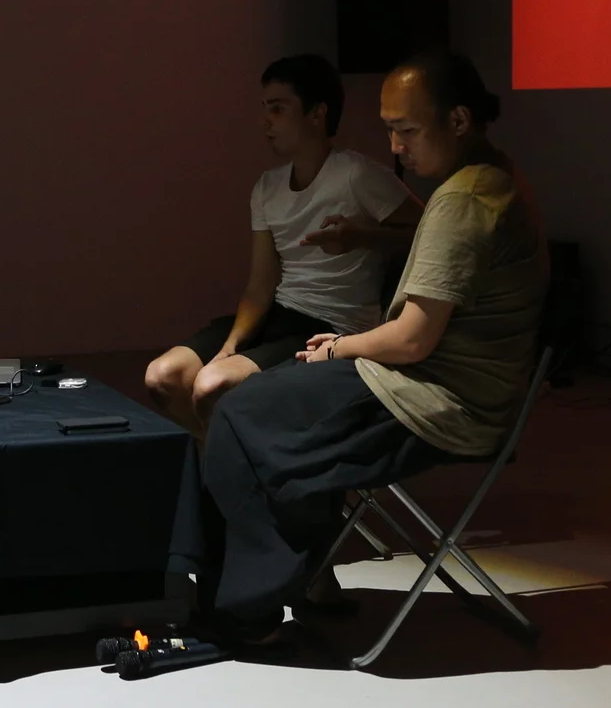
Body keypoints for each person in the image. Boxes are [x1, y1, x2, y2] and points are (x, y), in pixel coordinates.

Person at [200, 50, 548, 639]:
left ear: (458, 120)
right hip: (449, 389)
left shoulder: (465, 199)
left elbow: (412, 339)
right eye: (389, 130)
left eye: (406, 129)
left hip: (436, 401)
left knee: (240, 413)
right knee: (272, 404)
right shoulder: (492, 177)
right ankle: (296, 579)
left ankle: (243, 610)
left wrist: (340, 348)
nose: (396, 146)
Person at [146, 54, 418, 435]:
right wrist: (231, 344)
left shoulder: (356, 175)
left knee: (211, 385)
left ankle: (234, 462)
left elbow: (430, 232)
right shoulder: (267, 187)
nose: (265, 121)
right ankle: (223, 459)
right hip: (280, 312)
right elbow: (260, 285)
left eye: (278, 109)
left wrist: (362, 236)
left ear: (317, 114)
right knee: (163, 376)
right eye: (264, 108)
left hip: (331, 325)